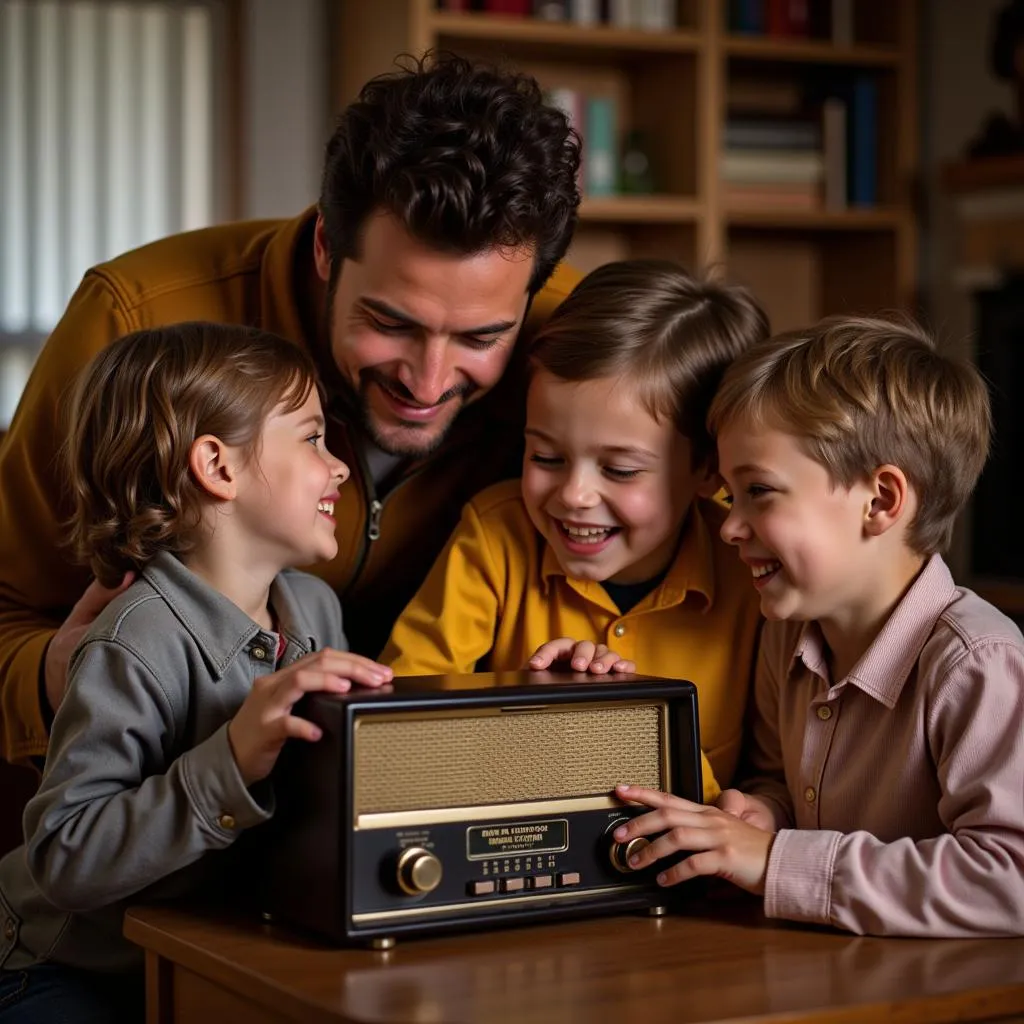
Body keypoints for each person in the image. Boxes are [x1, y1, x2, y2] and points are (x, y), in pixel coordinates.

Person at [0, 53, 582, 773]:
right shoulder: (131, 320)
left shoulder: (575, 349)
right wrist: (60, 677)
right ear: (325, 250)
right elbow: (7, 607)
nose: (429, 381)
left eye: (481, 338)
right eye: (391, 322)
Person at [0, 322, 393, 1021]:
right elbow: (63, 858)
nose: (339, 467)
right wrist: (234, 759)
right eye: (311, 439)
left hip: (209, 946)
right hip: (63, 969)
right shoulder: (135, 641)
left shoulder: (316, 610)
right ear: (218, 467)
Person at [613, 315, 1024, 937]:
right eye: (729, 495)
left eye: (760, 492)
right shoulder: (787, 635)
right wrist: (762, 815)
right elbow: (783, 780)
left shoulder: (978, 661)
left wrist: (778, 861)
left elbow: (1010, 878)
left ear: (881, 502)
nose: (730, 526)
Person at [382, 260, 770, 801]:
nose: (573, 495)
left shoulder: (751, 575)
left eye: (620, 469)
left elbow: (776, 775)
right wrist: (528, 705)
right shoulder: (494, 538)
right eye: (546, 455)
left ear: (708, 468)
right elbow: (394, 723)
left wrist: (752, 810)